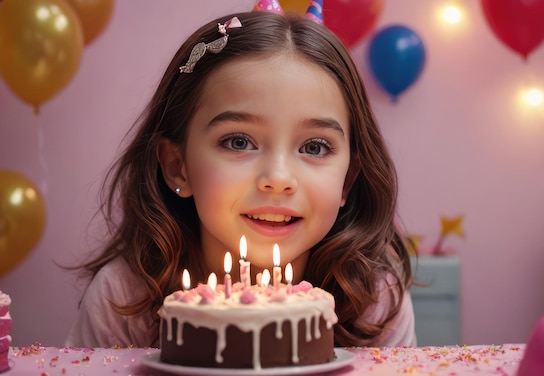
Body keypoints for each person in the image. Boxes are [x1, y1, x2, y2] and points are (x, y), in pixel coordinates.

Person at [66, 7, 416, 349]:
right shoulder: (125, 298)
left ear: (348, 180)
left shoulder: (374, 301)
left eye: (314, 147)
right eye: (238, 142)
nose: (278, 179)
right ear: (178, 166)